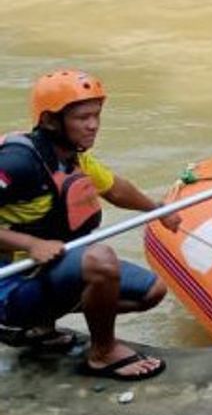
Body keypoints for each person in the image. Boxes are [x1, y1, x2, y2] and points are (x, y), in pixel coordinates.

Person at [0, 69, 179, 380]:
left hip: (40, 273)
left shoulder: (73, 158)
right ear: (51, 121)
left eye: (96, 115)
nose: (93, 125)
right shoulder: (17, 164)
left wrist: (158, 210)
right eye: (82, 118)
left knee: (151, 291)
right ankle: (102, 353)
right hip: (8, 284)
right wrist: (31, 245)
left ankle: (40, 325)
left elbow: (115, 189)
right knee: (100, 260)